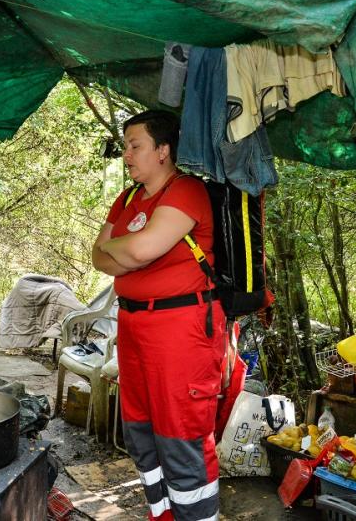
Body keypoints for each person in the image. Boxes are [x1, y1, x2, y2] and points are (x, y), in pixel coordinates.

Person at [93, 110, 225, 521]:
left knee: (180, 432)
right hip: (133, 325)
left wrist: (129, 251)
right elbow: (99, 256)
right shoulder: (130, 197)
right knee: (140, 430)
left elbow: (135, 251)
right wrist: (130, 251)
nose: (127, 155)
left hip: (180, 329)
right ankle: (162, 514)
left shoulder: (185, 191)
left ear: (163, 151)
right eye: (126, 146)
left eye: (136, 146)